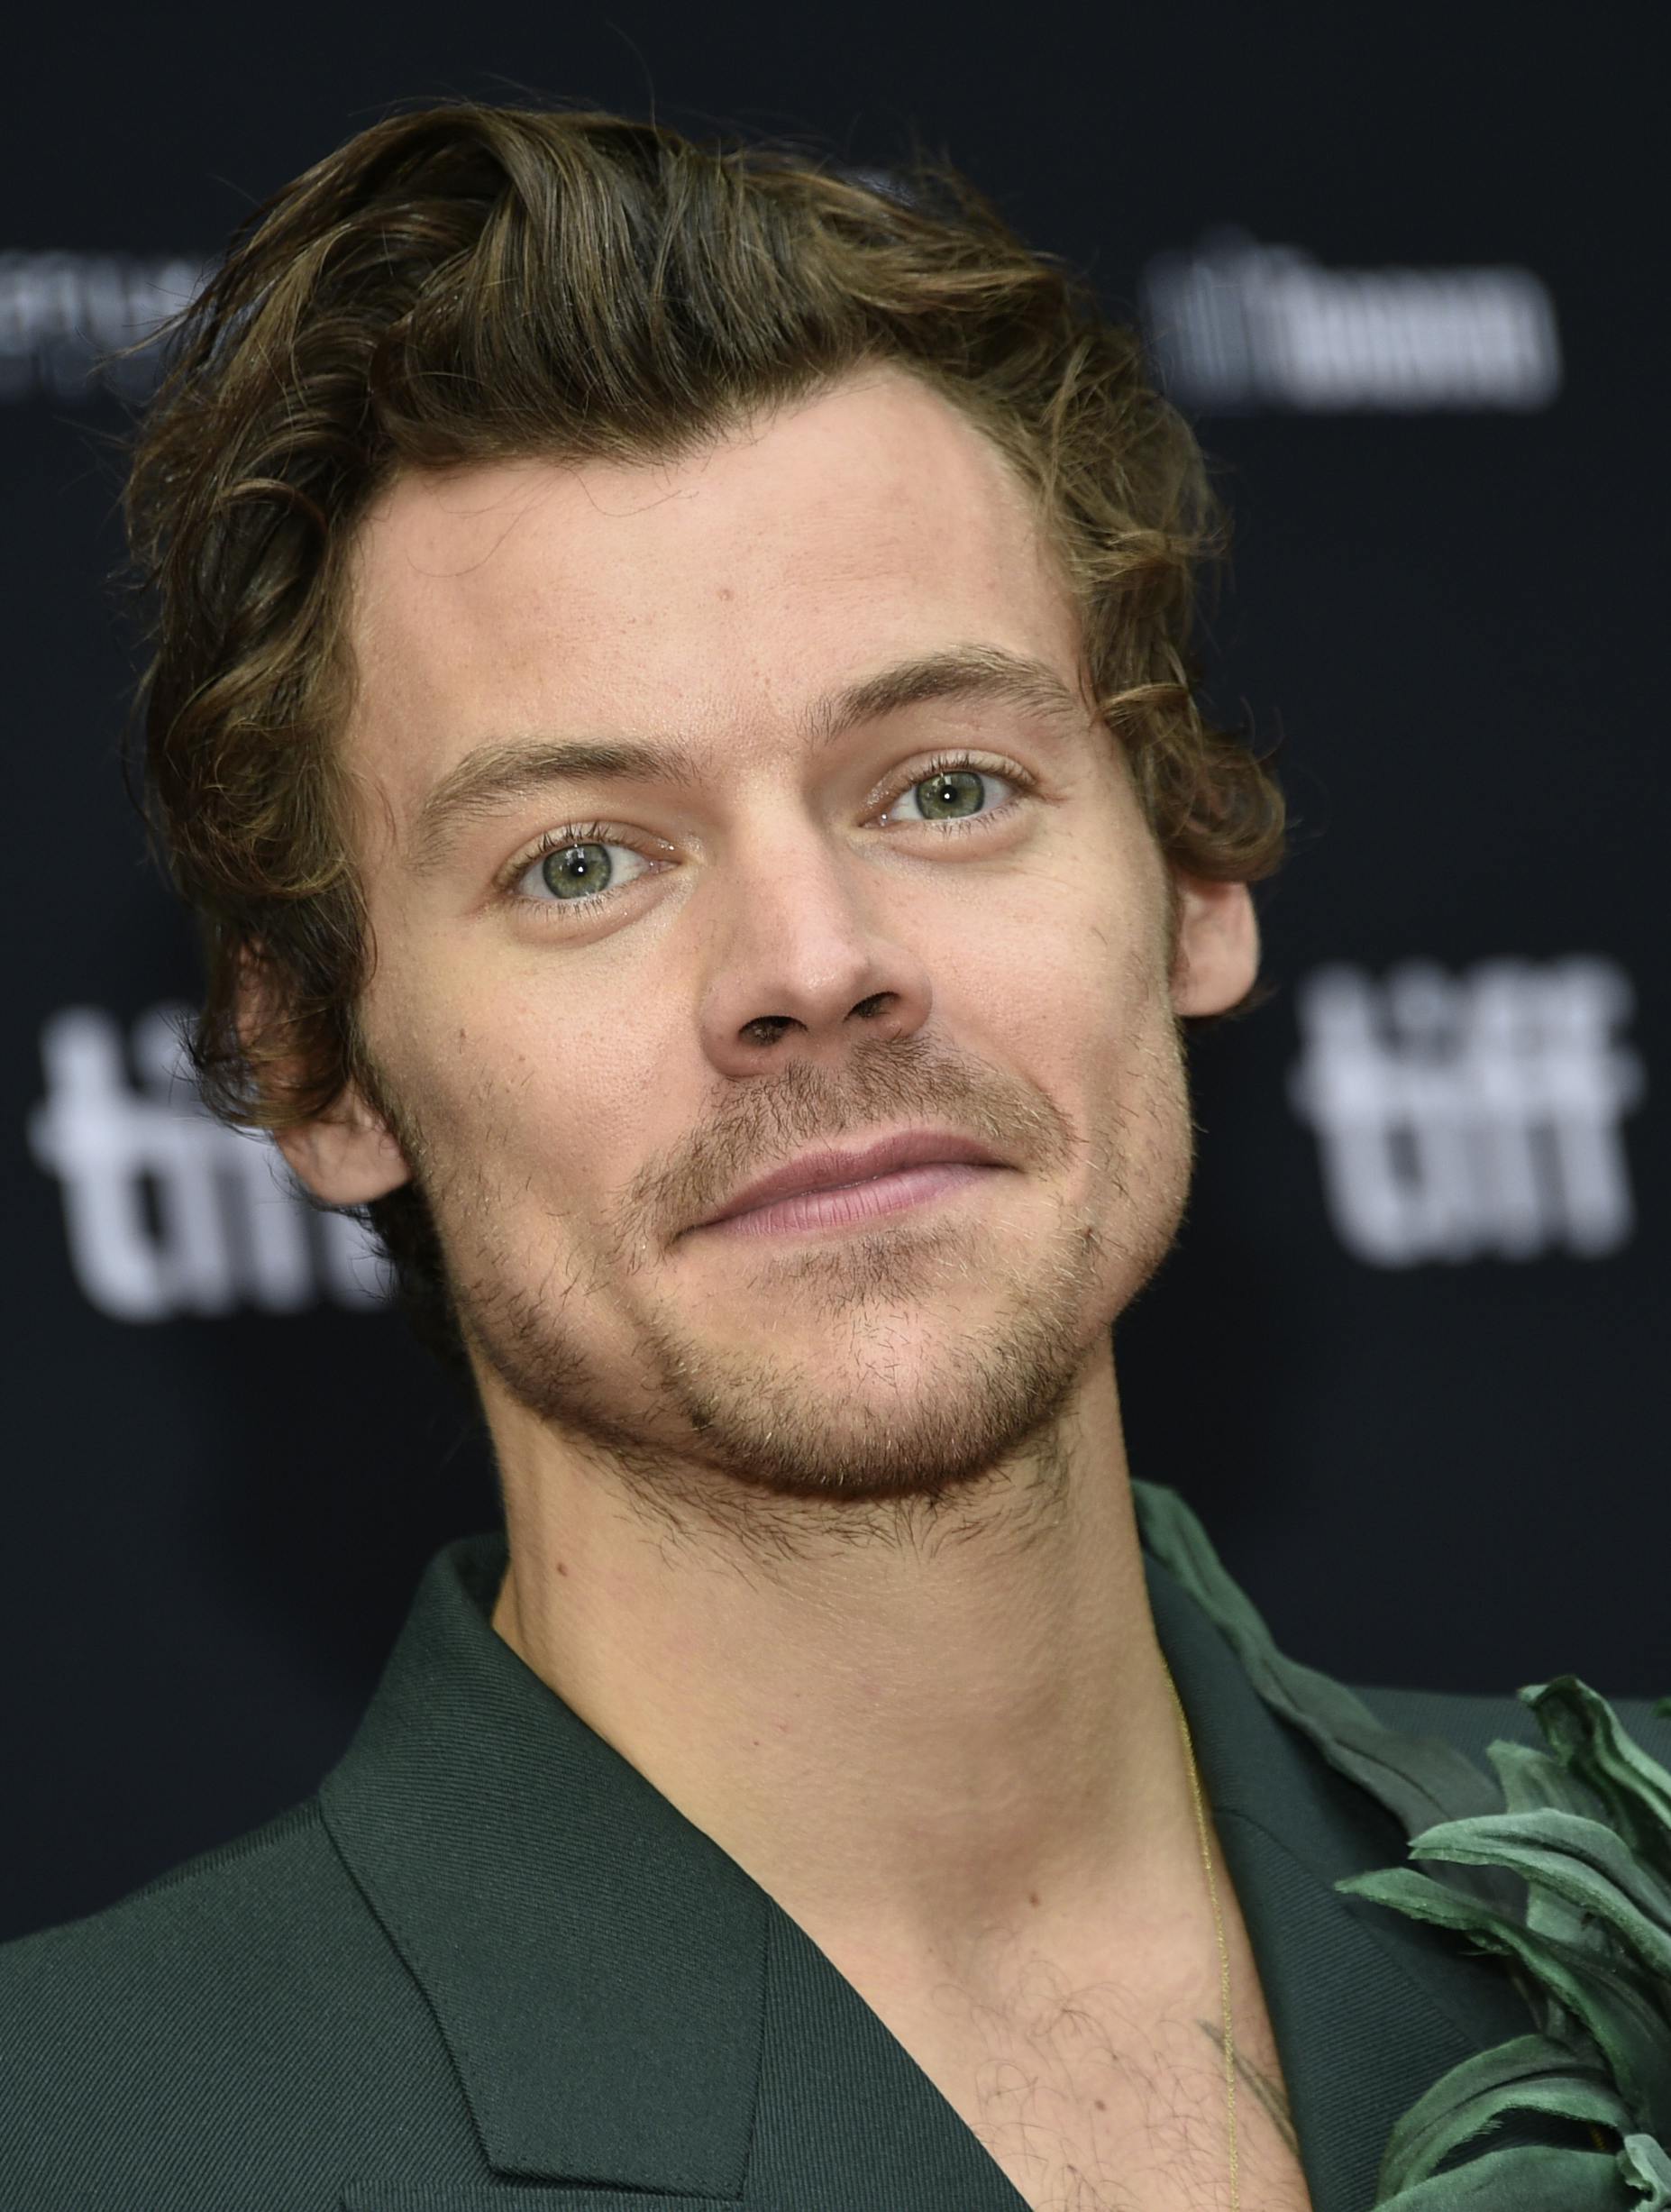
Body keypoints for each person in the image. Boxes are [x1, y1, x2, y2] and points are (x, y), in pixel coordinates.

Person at [4, 101, 1666, 2212]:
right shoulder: (84, 2144)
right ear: (319, 1064)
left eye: (946, 787)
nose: (815, 963)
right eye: (583, 859)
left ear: (1193, 878)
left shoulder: (1637, 1914)